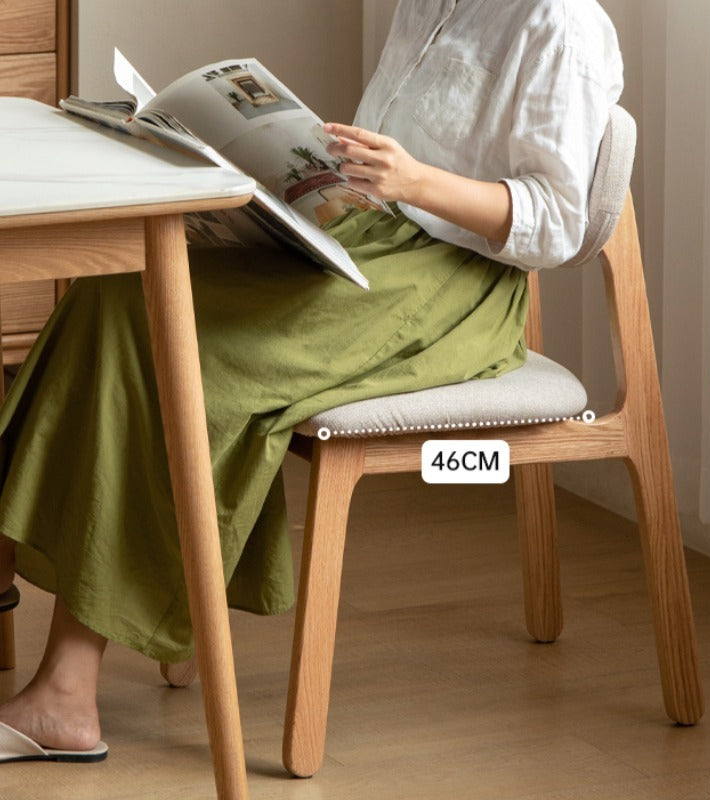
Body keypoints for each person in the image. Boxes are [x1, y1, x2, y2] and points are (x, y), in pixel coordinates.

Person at [0, 0, 622, 760]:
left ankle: (66, 695)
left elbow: (560, 224)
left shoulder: (561, 23)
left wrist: (416, 179)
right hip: (359, 235)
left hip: (451, 289)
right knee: (114, 286)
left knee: (161, 328)